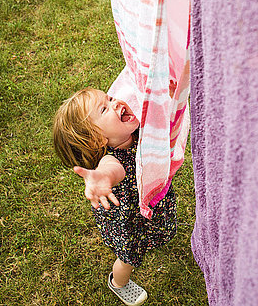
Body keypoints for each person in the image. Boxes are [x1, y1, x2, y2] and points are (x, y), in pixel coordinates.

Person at [52, 87, 177, 306]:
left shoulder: (135, 131)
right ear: (97, 139)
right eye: (104, 108)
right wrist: (103, 177)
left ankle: (154, 236)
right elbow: (111, 169)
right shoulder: (113, 159)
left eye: (109, 98)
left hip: (149, 204)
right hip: (127, 221)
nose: (116, 102)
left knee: (157, 229)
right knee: (128, 258)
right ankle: (118, 283)